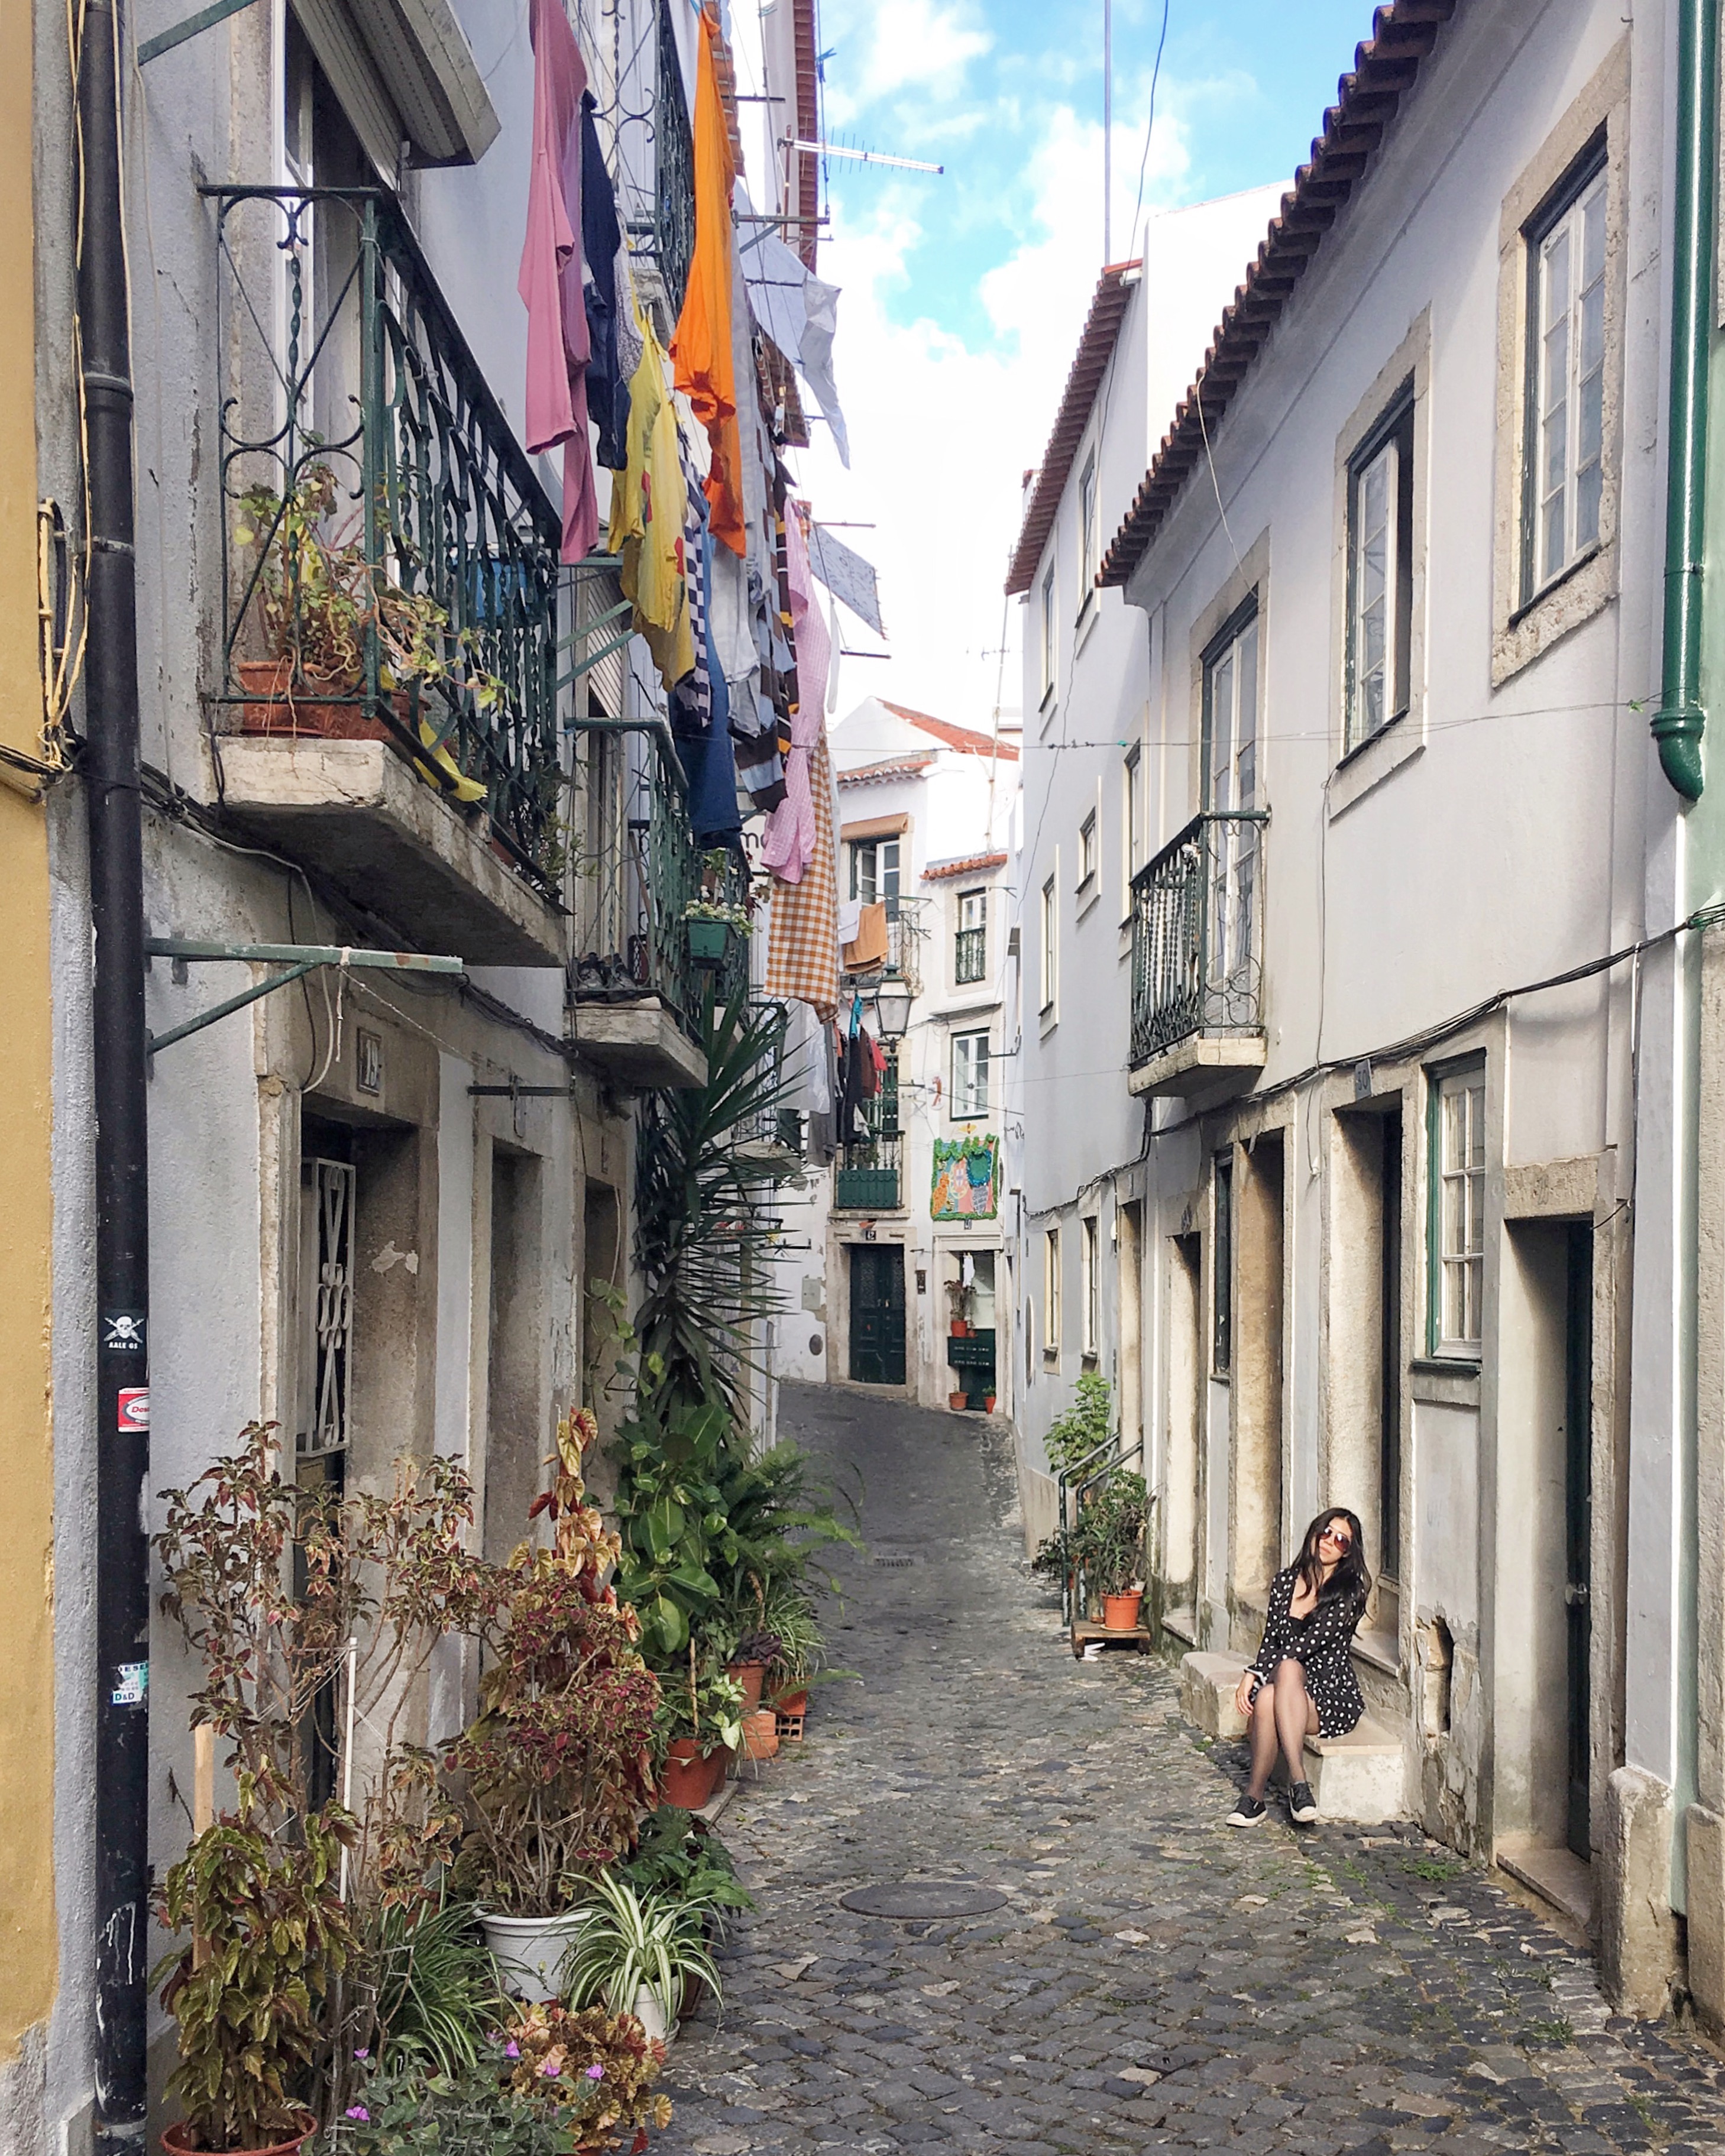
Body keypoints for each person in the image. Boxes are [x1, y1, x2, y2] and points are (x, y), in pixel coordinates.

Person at [1225, 1507, 1370, 1828]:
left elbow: (1304, 1646)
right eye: (1327, 1533)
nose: (1331, 1542)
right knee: (1266, 1697)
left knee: (1289, 1666)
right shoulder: (1285, 1582)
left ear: (1349, 1552)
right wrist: (1259, 1670)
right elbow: (1271, 1642)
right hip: (1288, 1691)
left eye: (1342, 1541)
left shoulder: (1350, 1592)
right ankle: (1263, 1795)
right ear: (1315, 1532)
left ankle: (1289, 1782)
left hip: (1330, 1695)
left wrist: (1254, 1673)